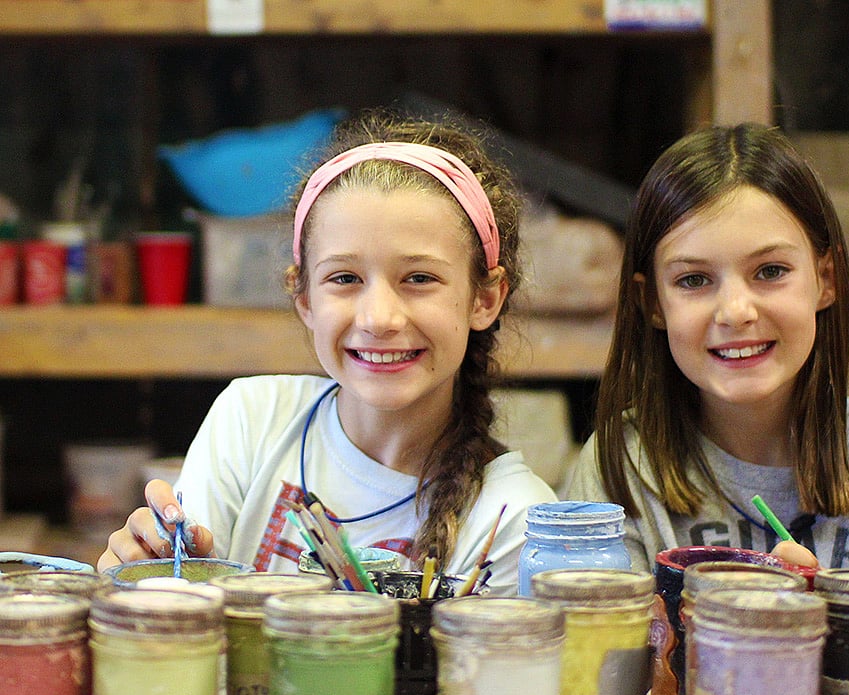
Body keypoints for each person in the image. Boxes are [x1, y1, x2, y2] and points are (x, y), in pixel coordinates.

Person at [98, 110, 557, 595]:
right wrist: (139, 579)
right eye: (344, 279)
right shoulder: (252, 422)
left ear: (485, 298)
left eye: (419, 278)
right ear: (304, 299)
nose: (379, 318)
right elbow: (176, 618)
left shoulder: (514, 522)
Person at [568, 123, 849, 592]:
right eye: (693, 280)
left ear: (825, 279)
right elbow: (600, 659)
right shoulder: (623, 470)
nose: (736, 312)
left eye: (770, 271)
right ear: (652, 303)